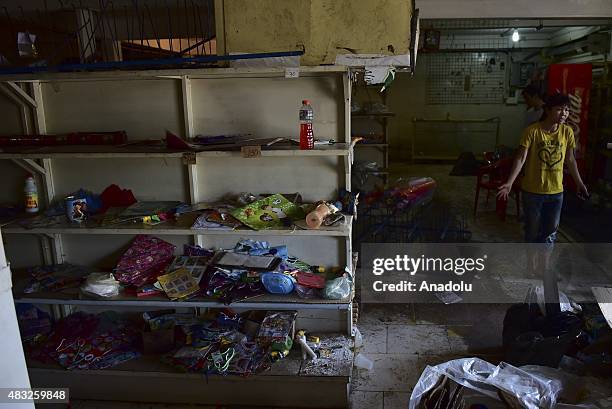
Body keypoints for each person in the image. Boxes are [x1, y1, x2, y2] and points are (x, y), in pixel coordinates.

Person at [498, 93, 588, 314]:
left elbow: (570, 160)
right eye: (559, 109)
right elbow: (521, 158)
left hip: (556, 192)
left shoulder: (567, 132)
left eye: (567, 110)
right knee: (533, 229)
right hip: (533, 191)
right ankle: (531, 266)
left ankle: (544, 268)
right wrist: (509, 183)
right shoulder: (532, 131)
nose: (564, 114)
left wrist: (579, 183)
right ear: (548, 110)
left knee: (550, 232)